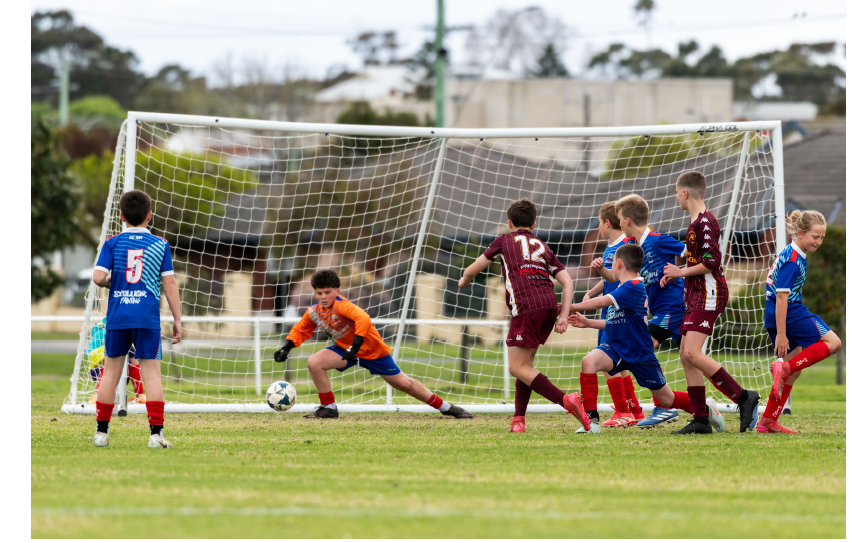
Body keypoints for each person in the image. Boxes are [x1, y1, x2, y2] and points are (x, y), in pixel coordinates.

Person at [459, 198, 588, 434]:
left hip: (526, 307)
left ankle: (567, 401)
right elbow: (567, 282)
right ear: (534, 223)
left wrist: (464, 280)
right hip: (549, 306)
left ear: (509, 222)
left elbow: (471, 270)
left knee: (516, 368)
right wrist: (562, 316)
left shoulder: (503, 241)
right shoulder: (543, 246)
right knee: (526, 366)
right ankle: (518, 421)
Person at [568, 244, 726, 434]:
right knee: (589, 362)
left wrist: (573, 306)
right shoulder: (622, 287)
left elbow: (602, 302)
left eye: (611, 265)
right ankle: (591, 423)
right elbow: (613, 322)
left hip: (640, 352)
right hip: (616, 348)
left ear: (618, 264)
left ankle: (706, 409)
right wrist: (587, 322)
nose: (609, 269)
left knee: (667, 399)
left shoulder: (633, 286)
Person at [274, 270, 473, 419]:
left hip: (372, 351)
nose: (324, 297)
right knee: (315, 362)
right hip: (344, 350)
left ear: (337, 291)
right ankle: (329, 408)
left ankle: (446, 408)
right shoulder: (314, 311)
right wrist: (286, 347)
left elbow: (363, 319)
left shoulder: (343, 306)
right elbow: (301, 329)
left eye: (328, 292)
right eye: (319, 293)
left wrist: (355, 346)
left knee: (405, 384)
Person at [660, 171, 760, 434]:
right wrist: (677, 275)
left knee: (692, 352)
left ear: (685, 193)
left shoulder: (704, 222)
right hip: (696, 294)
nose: (676, 198)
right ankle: (701, 420)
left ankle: (743, 397)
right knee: (685, 356)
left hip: (710, 293)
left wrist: (680, 272)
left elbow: (712, 262)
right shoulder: (695, 222)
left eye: (676, 193)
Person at [91, 190, 182, 448]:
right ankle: (156, 435)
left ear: (121, 217)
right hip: (147, 319)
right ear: (149, 216)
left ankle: (101, 433)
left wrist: (114, 282)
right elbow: (170, 283)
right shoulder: (160, 244)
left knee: (110, 374)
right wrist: (177, 319)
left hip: (118, 317)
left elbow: (98, 277)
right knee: (152, 376)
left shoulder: (113, 243)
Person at [759, 210, 842, 433]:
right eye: (815, 237)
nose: (819, 242)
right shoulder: (793, 260)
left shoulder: (793, 253)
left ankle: (767, 422)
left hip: (777, 314)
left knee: (795, 371)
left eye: (822, 237)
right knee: (833, 343)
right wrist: (782, 334)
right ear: (799, 233)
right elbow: (782, 297)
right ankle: (783, 368)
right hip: (789, 313)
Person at [614, 194, 687, 428]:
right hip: (660, 310)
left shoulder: (658, 240)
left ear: (626, 221)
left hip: (674, 308)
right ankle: (737, 398)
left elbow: (690, 252)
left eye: (618, 220)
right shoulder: (633, 248)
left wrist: (678, 271)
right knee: (693, 360)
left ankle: (664, 407)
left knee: (645, 344)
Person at [586, 201, 643, 427]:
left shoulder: (627, 245)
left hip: (619, 311)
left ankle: (623, 411)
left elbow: (620, 278)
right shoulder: (611, 248)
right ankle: (634, 410)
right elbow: (610, 277)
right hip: (610, 309)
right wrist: (591, 292)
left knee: (606, 360)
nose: (599, 227)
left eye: (599, 222)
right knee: (618, 362)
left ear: (607, 223)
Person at [88, 319, 145, 405]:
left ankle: (140, 395)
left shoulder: (128, 330)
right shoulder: (99, 329)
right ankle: (97, 394)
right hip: (98, 370)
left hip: (123, 372)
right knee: (112, 350)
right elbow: (90, 354)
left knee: (130, 350)